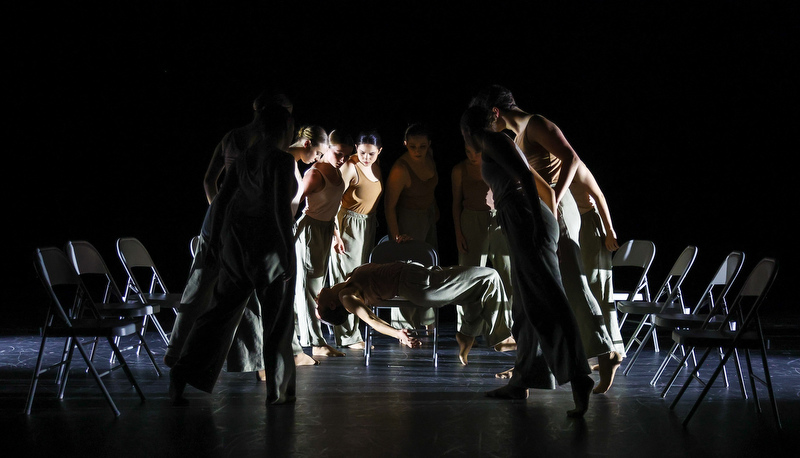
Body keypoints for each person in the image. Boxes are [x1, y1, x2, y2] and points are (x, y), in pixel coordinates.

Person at [471, 84, 620, 394]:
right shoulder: (518, 137)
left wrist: (555, 202)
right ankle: (535, 370)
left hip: (557, 208)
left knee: (570, 286)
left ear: (495, 112)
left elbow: (572, 159)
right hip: (545, 206)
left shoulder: (535, 123)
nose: (488, 127)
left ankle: (606, 352)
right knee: (542, 292)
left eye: (488, 119)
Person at [460, 105, 593, 417]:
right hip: (517, 216)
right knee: (524, 306)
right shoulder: (494, 143)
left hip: (525, 217)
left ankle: (579, 377)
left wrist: (534, 221)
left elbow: (524, 178)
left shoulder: (493, 140)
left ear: (468, 130)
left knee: (547, 301)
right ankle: (522, 381)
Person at [170, 97, 299, 406]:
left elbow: (222, 201)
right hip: (268, 246)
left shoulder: (243, 157)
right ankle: (277, 393)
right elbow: (280, 212)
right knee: (278, 322)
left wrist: (215, 241)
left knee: (218, 314)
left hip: (238, 243)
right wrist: (287, 256)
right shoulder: (281, 161)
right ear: (284, 128)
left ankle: (181, 372)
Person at [316, 261, 512, 364]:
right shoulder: (346, 298)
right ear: (333, 305)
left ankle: (466, 334)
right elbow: (370, 318)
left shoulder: (346, 282)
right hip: (420, 285)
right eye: (319, 306)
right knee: (489, 277)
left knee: (477, 290)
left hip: (422, 276)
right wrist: (397, 333)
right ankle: (501, 337)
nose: (316, 301)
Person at [451, 144, 515, 354]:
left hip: (497, 219)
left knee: (505, 274)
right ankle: (467, 331)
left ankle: (504, 330)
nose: (471, 156)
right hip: (471, 219)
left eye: (476, 152)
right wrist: (459, 233)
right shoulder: (460, 169)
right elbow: (455, 203)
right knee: (470, 276)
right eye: (467, 152)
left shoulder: (495, 166)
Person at [293, 130, 351, 357]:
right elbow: (295, 202)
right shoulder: (315, 174)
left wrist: (335, 234)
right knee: (309, 288)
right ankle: (315, 342)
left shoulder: (337, 173)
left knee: (317, 285)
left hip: (325, 230)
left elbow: (334, 207)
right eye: (338, 153)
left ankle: (313, 338)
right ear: (327, 148)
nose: (342, 158)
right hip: (310, 230)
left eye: (346, 155)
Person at [327, 130, 384, 349]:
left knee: (360, 278)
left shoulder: (376, 168)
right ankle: (347, 336)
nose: (366, 157)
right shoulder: (350, 167)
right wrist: (335, 234)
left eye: (371, 153)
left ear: (379, 151)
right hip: (349, 226)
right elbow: (333, 201)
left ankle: (355, 331)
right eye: (362, 152)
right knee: (345, 279)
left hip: (367, 225)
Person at [570, 162, 626, 385]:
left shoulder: (574, 164)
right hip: (574, 227)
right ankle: (603, 351)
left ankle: (611, 351)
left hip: (591, 225)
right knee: (581, 290)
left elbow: (599, 196)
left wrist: (609, 229)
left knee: (598, 288)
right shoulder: (552, 169)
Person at [383, 123, 439, 330]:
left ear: (429, 145)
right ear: (405, 144)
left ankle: (427, 319)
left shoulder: (429, 156)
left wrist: (434, 210)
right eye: (413, 146)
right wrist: (396, 235)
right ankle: (404, 324)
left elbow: (430, 188)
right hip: (407, 220)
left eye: (422, 146)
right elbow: (389, 206)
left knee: (429, 269)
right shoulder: (400, 169)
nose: (417, 151)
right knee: (407, 272)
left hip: (427, 217)